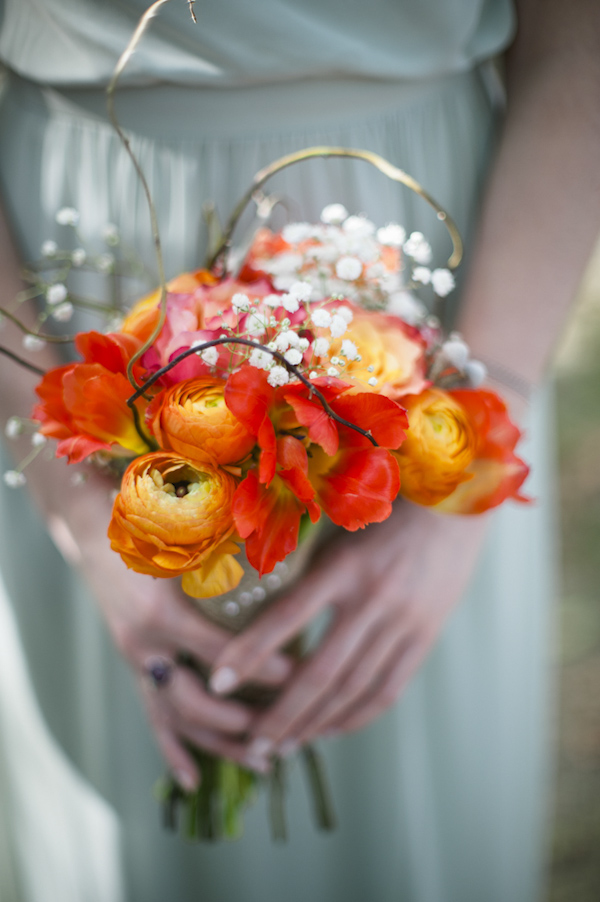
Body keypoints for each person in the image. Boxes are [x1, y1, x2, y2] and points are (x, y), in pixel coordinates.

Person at [0, 0, 598, 900]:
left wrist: (471, 441)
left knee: (413, 806)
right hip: (64, 268)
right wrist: (72, 489)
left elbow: (580, 40)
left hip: (464, 278)